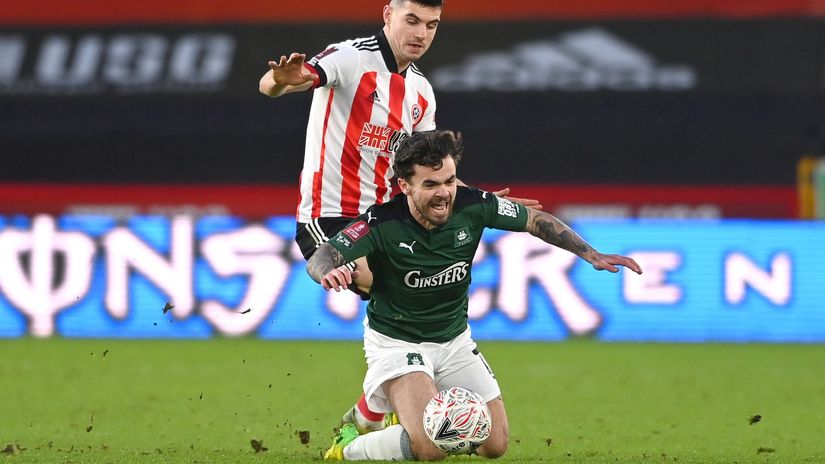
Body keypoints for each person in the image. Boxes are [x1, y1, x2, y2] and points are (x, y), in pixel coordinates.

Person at [259, 0, 540, 433]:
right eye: (412, 20)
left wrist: (472, 195)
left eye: (431, 25)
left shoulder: (421, 91)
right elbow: (276, 84)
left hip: (386, 219)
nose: (421, 33)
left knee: (419, 290)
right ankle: (393, 396)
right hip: (329, 215)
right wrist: (280, 81)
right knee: (373, 280)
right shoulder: (351, 58)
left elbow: (427, 167)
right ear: (388, 14)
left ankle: (371, 410)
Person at [306, 130, 643, 461]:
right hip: (397, 343)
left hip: (454, 341)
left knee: (494, 445)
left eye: (450, 181)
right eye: (430, 185)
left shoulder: (474, 205)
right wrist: (328, 272)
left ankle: (392, 417)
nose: (444, 194)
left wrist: (590, 253)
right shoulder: (381, 223)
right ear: (404, 186)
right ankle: (347, 449)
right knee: (431, 448)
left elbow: (534, 219)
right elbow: (322, 256)